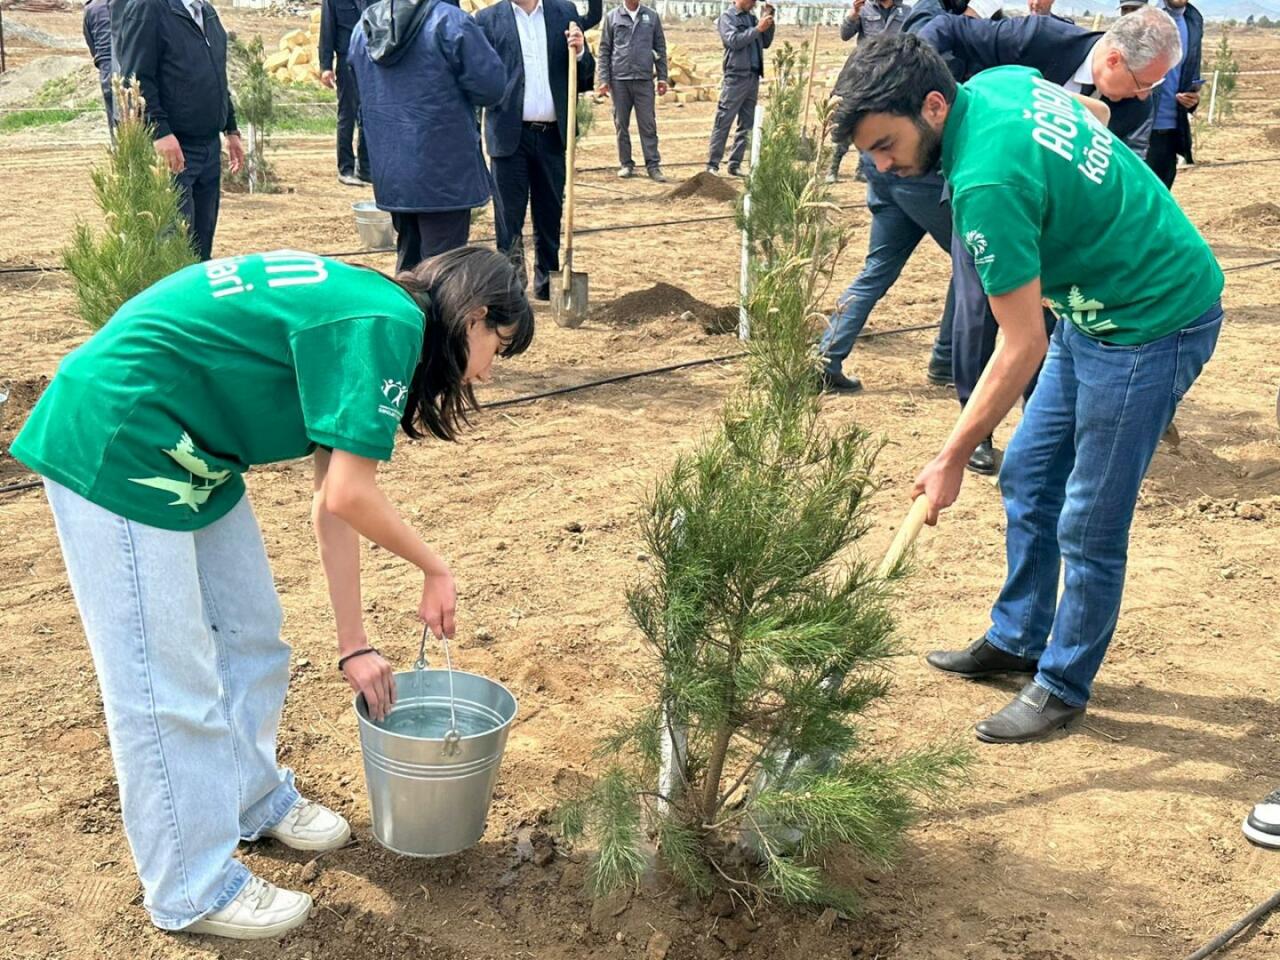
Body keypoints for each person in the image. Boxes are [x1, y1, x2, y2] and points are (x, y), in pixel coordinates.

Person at [10, 246, 534, 939]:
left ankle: (250, 796)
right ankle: (191, 887)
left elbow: (331, 501)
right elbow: (350, 494)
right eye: (497, 347)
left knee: (251, 633)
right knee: (166, 685)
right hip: (121, 435)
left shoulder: (375, 311)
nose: (488, 371)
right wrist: (435, 568)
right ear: (474, 316)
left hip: (194, 447)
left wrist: (355, 645)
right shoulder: (390, 325)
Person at [833, 34, 1223, 744]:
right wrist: (1082, 203)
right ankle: (1018, 638)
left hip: (1152, 320)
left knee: (1090, 521)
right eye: (870, 153)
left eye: (886, 145)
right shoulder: (999, 83)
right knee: (1029, 474)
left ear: (933, 105)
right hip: (1090, 308)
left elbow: (1020, 345)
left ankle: (1062, 684)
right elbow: (1092, 117)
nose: (882, 165)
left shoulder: (987, 185)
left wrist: (950, 457)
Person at [918, 6, 1171, 472]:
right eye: (1142, 82)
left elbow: (1120, 166)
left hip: (1057, 226)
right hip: (992, 196)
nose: (1145, 94)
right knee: (978, 311)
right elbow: (947, 28)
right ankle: (976, 426)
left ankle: (1036, 421)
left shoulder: (1135, 103)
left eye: (1153, 86)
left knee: (1049, 324)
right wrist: (925, 91)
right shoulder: (1037, 38)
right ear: (1113, 59)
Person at [351, 0, 506, 272]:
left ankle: (408, 300)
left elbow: (359, 86)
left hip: (393, 172)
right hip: (444, 172)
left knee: (409, 260)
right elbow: (491, 87)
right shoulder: (451, 23)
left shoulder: (363, 29)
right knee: (443, 269)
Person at [476, 0, 597, 301]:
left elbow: (585, 78)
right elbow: (476, 79)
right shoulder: (487, 20)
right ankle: (511, 288)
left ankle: (548, 285)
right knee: (509, 219)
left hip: (552, 136)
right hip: (508, 136)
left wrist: (580, 52)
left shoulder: (564, 13)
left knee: (549, 214)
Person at [114, 0, 243, 263]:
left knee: (201, 247)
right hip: (174, 150)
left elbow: (217, 76)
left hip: (209, 149)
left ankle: (198, 290)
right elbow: (135, 78)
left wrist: (230, 128)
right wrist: (159, 131)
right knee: (173, 247)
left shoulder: (206, 12)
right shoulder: (148, 8)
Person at [827, 0, 911, 184]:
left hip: (889, 77)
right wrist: (853, 14)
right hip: (862, 74)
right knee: (851, 117)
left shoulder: (906, 12)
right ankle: (833, 167)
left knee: (876, 123)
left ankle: (862, 168)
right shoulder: (864, 10)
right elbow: (845, 35)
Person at [596, 0, 670, 183]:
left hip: (644, 80)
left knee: (648, 124)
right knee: (621, 124)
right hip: (619, 80)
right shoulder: (612, 17)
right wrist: (604, 79)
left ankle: (653, 166)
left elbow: (660, 48)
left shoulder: (651, 17)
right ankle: (626, 164)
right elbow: (604, 50)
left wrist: (662, 77)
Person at [706, 0, 774, 176]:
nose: (753, 3)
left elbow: (765, 42)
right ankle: (713, 165)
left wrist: (768, 21)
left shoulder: (752, 18)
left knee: (746, 124)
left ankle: (735, 164)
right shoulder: (728, 17)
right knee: (724, 121)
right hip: (736, 76)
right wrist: (757, 29)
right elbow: (733, 41)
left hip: (753, 76)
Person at [1145, 0, 1204, 187]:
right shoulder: (1145, 16)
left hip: (1171, 131)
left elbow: (1191, 73)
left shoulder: (1194, 21)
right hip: (1139, 130)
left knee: (1161, 198)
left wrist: (1192, 99)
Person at [318, 0, 371, 186]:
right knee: (347, 115)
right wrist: (325, 67)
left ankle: (366, 168)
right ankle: (346, 168)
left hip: (372, 61)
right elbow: (327, 32)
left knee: (369, 114)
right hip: (346, 61)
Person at [82, 0, 114, 136]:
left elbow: (93, 47)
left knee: (118, 131)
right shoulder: (134, 4)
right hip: (132, 68)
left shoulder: (91, 8)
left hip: (107, 71)